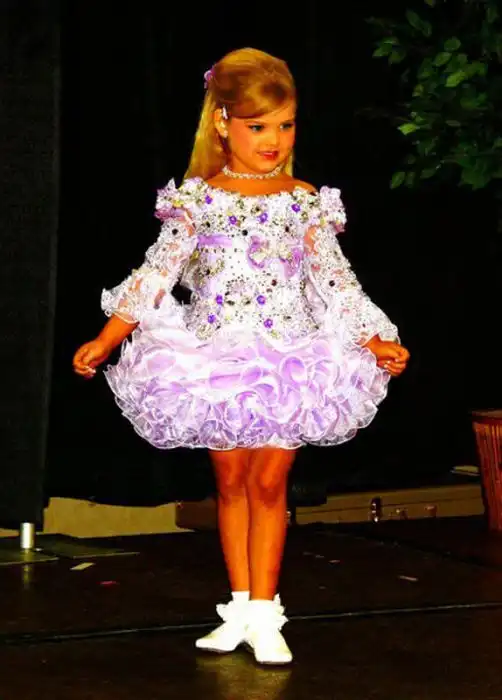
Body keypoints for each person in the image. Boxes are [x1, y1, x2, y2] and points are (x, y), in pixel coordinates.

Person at [73, 47, 410, 665]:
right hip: (214, 359)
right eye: (258, 127)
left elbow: (335, 280)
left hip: (290, 359)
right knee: (230, 482)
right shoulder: (198, 199)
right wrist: (107, 337)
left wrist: (373, 338)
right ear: (223, 123)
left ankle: (265, 612)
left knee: (269, 480)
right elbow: (156, 273)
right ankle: (239, 607)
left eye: (286, 125)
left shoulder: (304, 200)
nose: (274, 140)